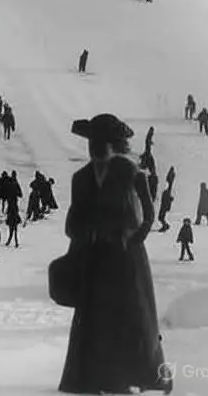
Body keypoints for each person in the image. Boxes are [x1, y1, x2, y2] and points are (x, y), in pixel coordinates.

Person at [57, 113, 171, 394]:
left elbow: (148, 214)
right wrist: (85, 232)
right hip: (94, 259)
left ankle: (147, 376)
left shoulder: (131, 173)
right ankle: (95, 378)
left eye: (101, 141)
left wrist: (134, 241)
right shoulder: (80, 179)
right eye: (92, 141)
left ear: (113, 144)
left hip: (126, 260)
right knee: (96, 321)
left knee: (133, 319)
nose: (95, 147)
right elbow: (72, 222)